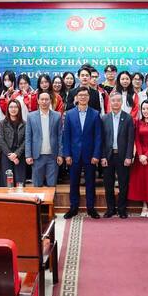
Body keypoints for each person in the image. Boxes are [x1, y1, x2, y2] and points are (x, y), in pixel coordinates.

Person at [61, 87, 103, 219]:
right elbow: (66, 136)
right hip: (74, 155)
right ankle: (73, 208)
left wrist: (96, 155)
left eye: (85, 95)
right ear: (76, 97)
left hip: (90, 155)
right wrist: (67, 155)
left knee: (90, 183)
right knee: (74, 183)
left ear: (89, 98)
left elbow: (98, 137)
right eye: (80, 95)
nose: (83, 97)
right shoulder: (69, 114)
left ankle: (91, 208)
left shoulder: (95, 114)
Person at [100, 92, 135, 218]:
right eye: (113, 100)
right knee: (108, 185)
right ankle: (110, 209)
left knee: (123, 184)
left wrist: (129, 156)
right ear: (110, 102)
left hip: (123, 156)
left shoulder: (128, 118)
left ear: (121, 102)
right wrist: (103, 156)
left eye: (118, 100)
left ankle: (122, 209)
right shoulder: (104, 118)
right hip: (108, 156)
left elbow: (131, 139)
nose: (116, 103)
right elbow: (101, 140)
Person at [25, 92, 63, 187]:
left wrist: (60, 154)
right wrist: (28, 155)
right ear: (38, 101)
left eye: (46, 99)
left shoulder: (57, 115)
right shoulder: (31, 116)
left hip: (53, 156)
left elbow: (60, 136)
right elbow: (28, 137)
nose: (44, 102)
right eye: (42, 99)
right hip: (37, 156)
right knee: (37, 185)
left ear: (50, 101)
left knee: (52, 185)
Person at [0, 99, 26, 186]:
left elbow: (26, 141)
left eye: (15, 107)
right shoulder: (2, 123)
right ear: (8, 109)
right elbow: (1, 140)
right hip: (7, 155)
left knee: (19, 181)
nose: (13, 109)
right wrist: (11, 155)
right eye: (11, 107)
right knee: (7, 182)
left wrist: (16, 154)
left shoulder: (24, 124)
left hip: (20, 156)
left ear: (19, 109)